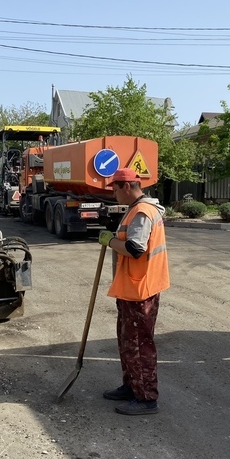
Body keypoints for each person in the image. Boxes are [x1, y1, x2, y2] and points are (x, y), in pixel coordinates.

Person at [98, 168, 170, 416]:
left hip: (141, 290)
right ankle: (131, 386)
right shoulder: (137, 209)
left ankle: (146, 398)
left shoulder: (142, 212)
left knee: (139, 344)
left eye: (115, 188)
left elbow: (135, 248)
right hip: (134, 287)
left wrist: (110, 241)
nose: (114, 193)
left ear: (127, 186)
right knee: (128, 341)